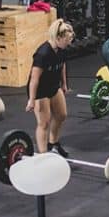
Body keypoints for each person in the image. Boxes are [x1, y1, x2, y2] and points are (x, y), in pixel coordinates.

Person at [25, 19, 74, 156]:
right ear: (58, 38)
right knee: (44, 123)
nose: (69, 42)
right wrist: (32, 100)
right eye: (67, 39)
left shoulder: (62, 49)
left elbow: (62, 65)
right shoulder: (43, 53)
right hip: (40, 91)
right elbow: (34, 79)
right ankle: (43, 155)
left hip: (53, 86)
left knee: (61, 115)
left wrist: (64, 84)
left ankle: (53, 143)